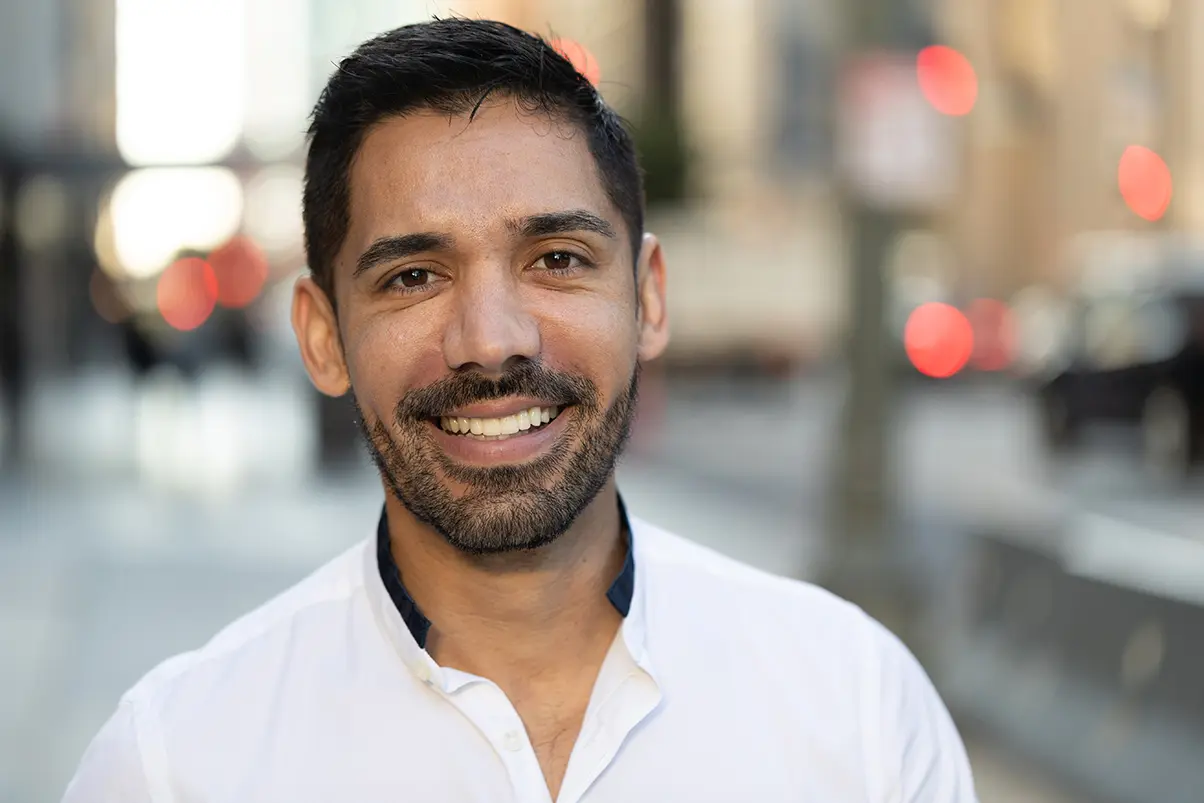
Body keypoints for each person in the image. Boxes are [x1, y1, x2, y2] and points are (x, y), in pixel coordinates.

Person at [62, 18, 978, 802]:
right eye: (413, 276)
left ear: (648, 298)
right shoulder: (176, 763)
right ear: (323, 337)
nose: (492, 340)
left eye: (557, 259)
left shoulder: (857, 711)